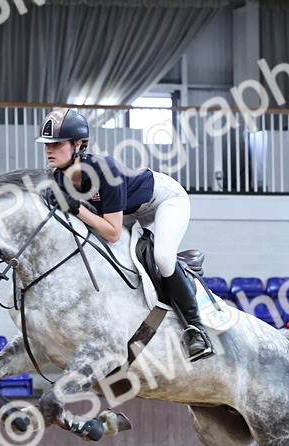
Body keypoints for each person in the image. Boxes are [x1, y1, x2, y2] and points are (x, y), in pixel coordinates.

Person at [36, 108, 214, 362]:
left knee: (163, 257)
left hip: (164, 199)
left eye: (57, 143)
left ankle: (196, 330)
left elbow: (112, 232)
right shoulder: (58, 178)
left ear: (78, 144)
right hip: (128, 211)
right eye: (47, 144)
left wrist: (73, 207)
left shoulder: (102, 169)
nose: (49, 150)